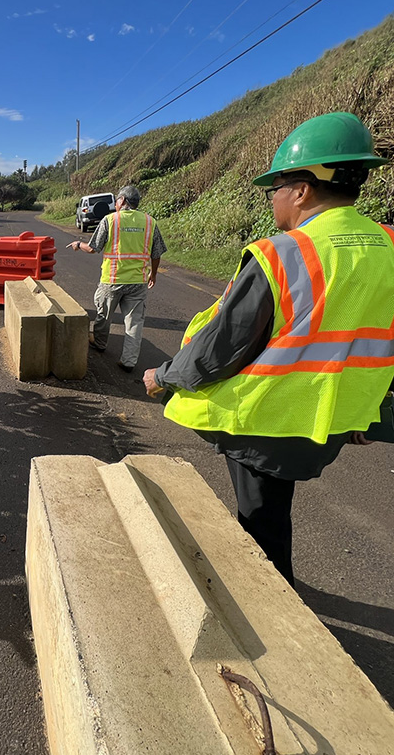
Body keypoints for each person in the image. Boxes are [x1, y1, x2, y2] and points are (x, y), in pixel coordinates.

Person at [142, 112, 394, 585]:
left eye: (276, 186)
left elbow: (221, 347)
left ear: (303, 190)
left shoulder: (284, 253)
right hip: (338, 418)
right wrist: (376, 410)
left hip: (270, 419)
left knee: (261, 528)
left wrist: (165, 376)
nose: (274, 197)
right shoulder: (388, 246)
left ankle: (275, 622)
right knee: (273, 515)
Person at [67, 185, 166, 372]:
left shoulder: (111, 220)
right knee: (134, 321)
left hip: (112, 279)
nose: (116, 203)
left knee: (104, 315)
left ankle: (101, 343)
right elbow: (156, 253)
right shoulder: (150, 222)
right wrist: (153, 273)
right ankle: (129, 361)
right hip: (138, 282)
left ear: (122, 201)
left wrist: (78, 244)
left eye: (118, 200)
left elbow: (93, 247)